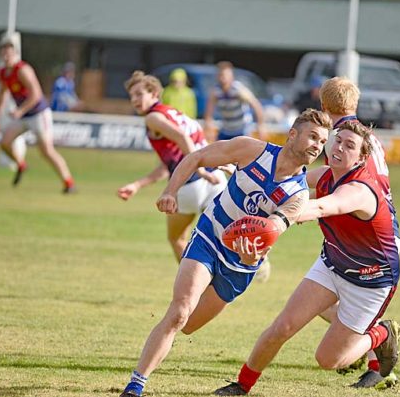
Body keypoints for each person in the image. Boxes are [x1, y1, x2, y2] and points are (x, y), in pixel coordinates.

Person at [118, 108, 331, 397]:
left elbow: (270, 233)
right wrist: (170, 191)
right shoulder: (251, 150)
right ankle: (135, 386)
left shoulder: (298, 195)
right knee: (179, 313)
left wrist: (251, 256)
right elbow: (196, 157)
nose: (318, 145)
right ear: (292, 134)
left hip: (240, 266)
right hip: (210, 236)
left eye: (322, 141)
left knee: (189, 326)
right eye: (313, 137)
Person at [213, 121, 400, 396]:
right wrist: (246, 179)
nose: (339, 148)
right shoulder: (325, 174)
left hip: (370, 280)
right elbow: (285, 185)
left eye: (349, 146)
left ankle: (382, 333)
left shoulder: (360, 190)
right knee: (283, 326)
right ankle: (242, 385)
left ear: (361, 158)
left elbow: (323, 206)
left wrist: (278, 220)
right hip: (332, 264)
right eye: (338, 140)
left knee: (329, 359)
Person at [318, 76, 400, 388]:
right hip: (379, 225)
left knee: (330, 301)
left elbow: (337, 181)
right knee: (322, 298)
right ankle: (368, 353)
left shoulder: (339, 138)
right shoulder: (368, 137)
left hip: (364, 234)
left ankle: (376, 349)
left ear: (323, 106)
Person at [118, 71, 226, 262]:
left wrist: (199, 170)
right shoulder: (173, 113)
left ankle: (195, 279)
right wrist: (137, 185)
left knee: (177, 239)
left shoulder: (153, 118)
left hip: (190, 184)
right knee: (218, 241)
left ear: (154, 94)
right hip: (216, 178)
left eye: (139, 94)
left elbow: (182, 138)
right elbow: (168, 165)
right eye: (131, 95)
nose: (134, 100)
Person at [0, 34, 76, 193]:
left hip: (39, 114)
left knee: (46, 151)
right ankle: (21, 165)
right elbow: (3, 91)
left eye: (9, 53)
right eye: (3, 53)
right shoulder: (2, 73)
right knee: (5, 143)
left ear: (15, 53)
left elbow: (36, 95)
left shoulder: (23, 70)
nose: (6, 56)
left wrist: (20, 111)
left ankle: (68, 183)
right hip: (23, 116)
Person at [204, 61, 267, 142]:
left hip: (242, 129)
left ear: (231, 76)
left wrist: (261, 125)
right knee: (218, 148)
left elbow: (256, 105)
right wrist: (208, 127)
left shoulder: (238, 89)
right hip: (226, 129)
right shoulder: (215, 92)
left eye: (225, 75)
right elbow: (208, 114)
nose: (223, 78)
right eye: (220, 75)